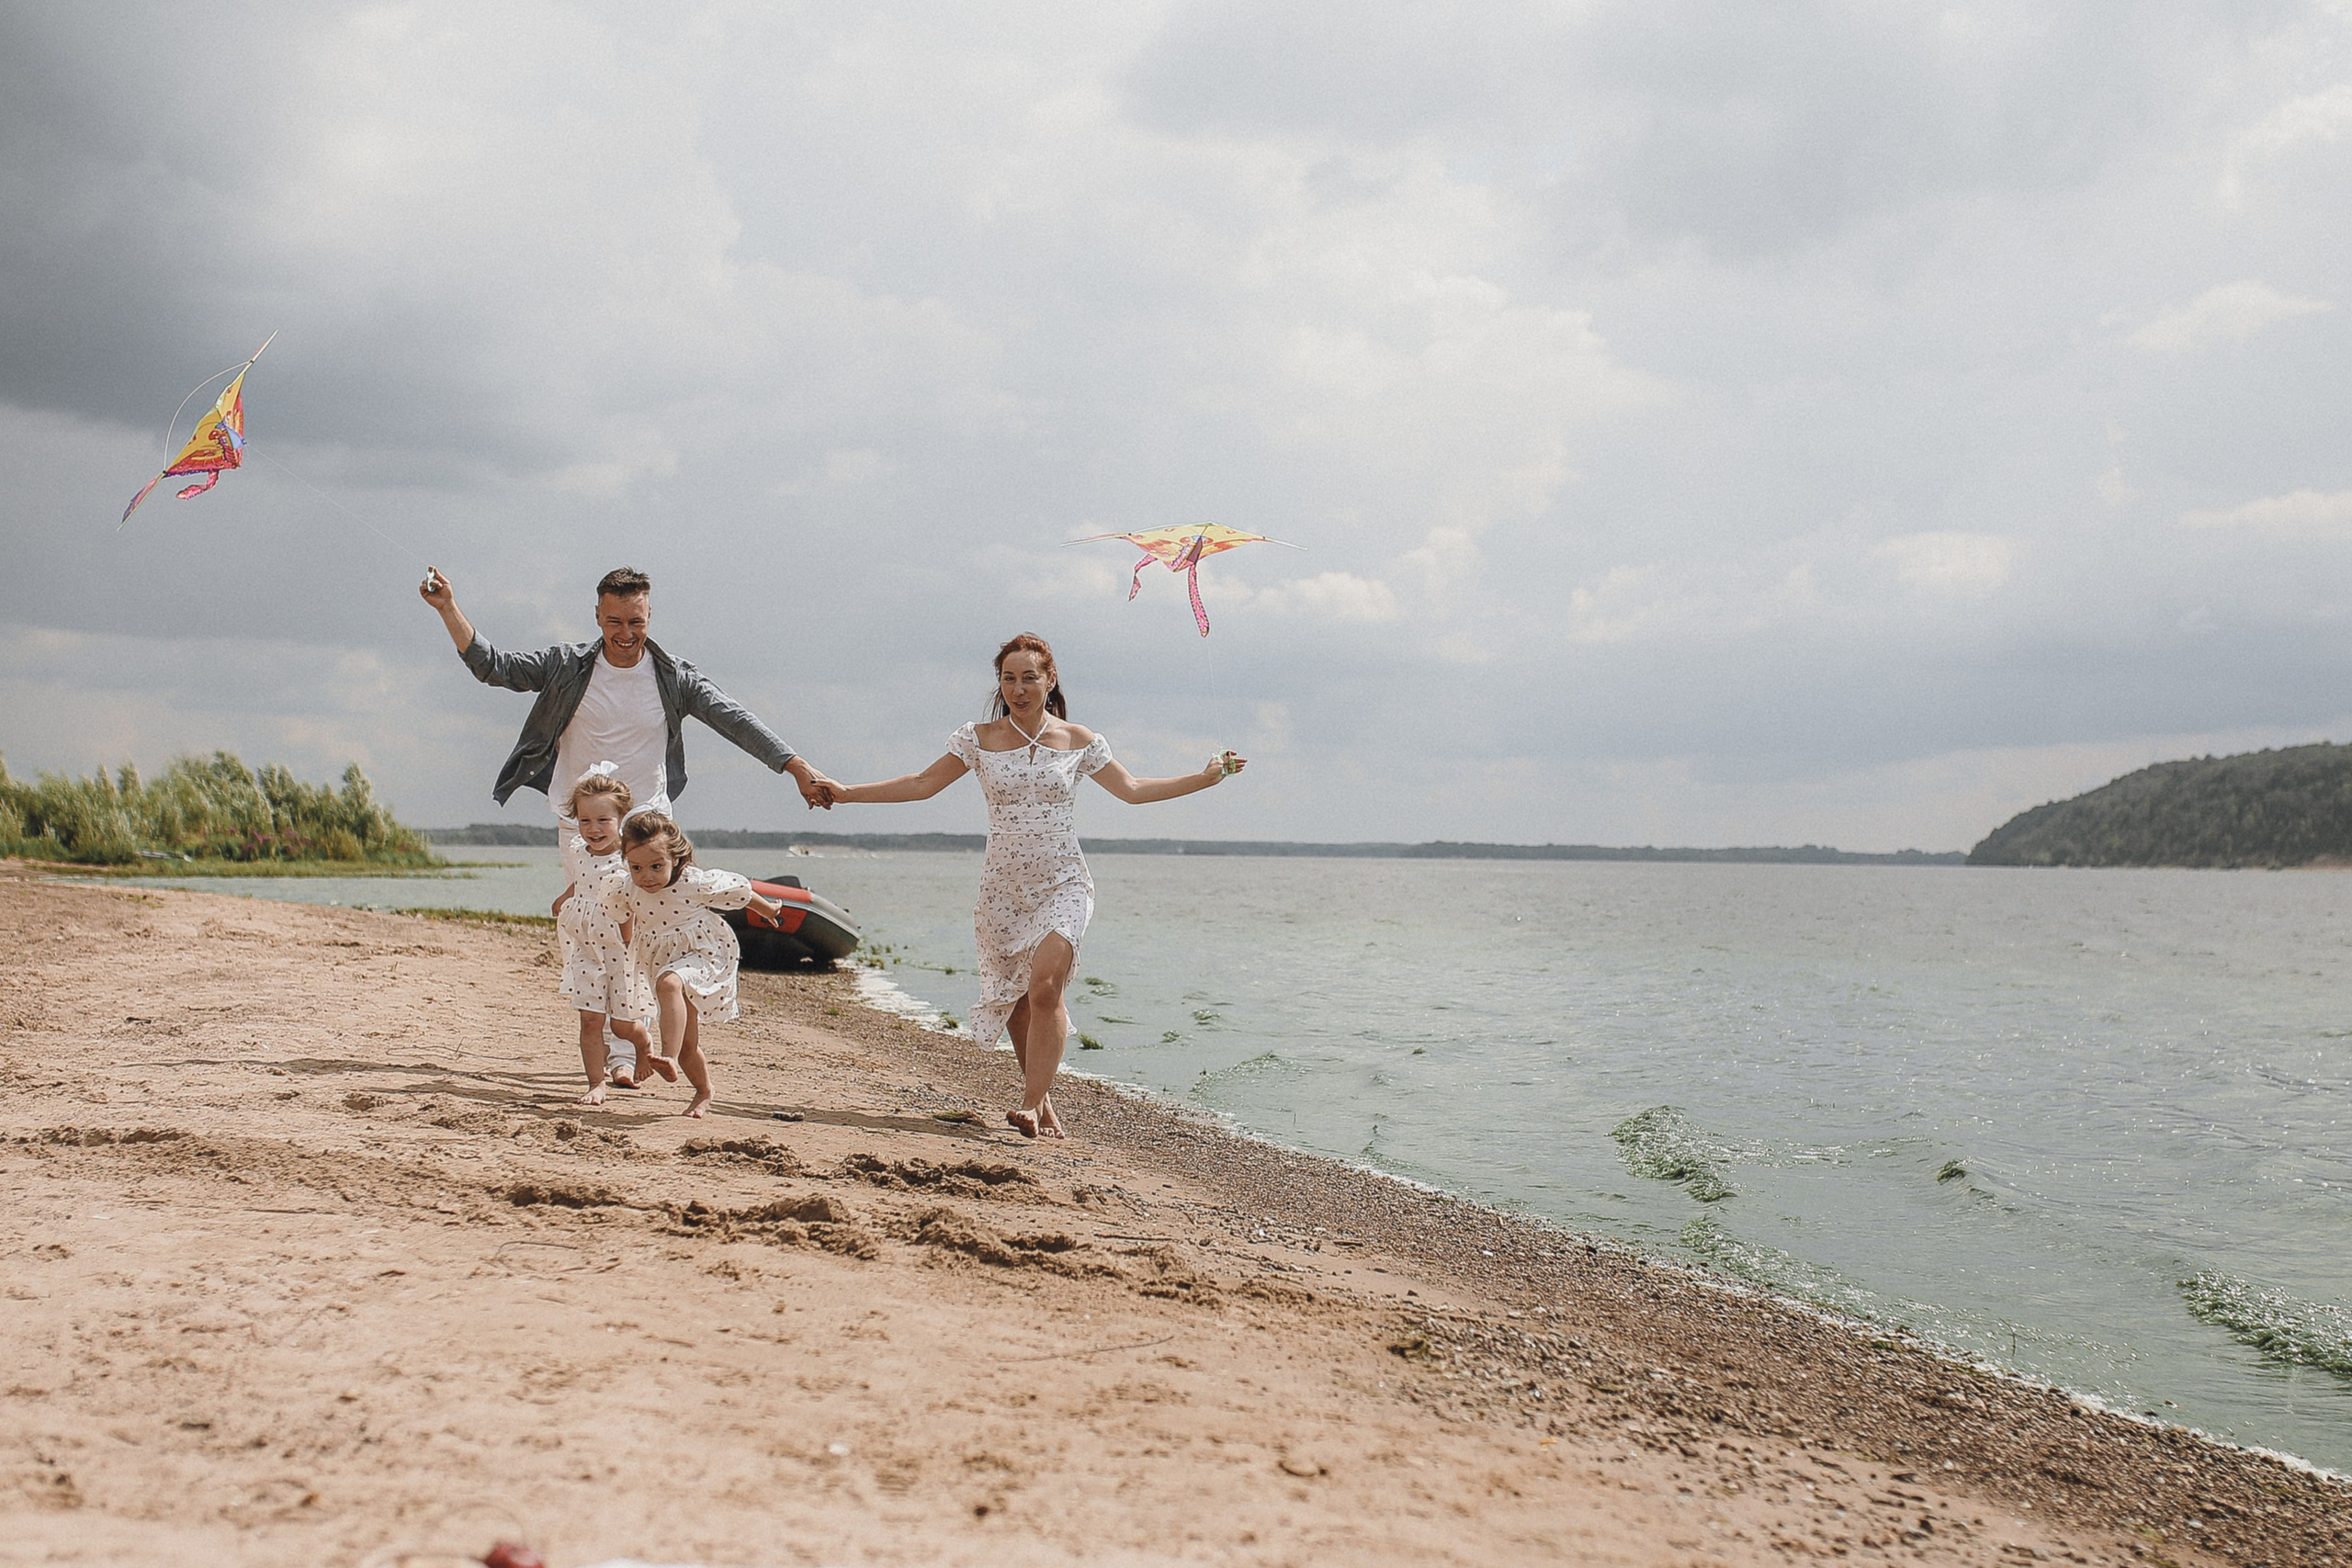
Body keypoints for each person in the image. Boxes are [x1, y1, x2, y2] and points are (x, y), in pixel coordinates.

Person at [821, 633, 1245, 1140]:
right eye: (1008, 678)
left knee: (1045, 989)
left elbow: (1132, 791)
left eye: (1029, 678)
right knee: (1019, 1001)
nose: (1018, 689)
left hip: (1064, 882)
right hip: (1002, 888)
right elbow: (920, 784)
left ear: (1050, 680)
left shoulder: (1079, 740)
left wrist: (1205, 777)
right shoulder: (977, 738)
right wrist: (846, 795)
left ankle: (1027, 1103)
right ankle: (1042, 1107)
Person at [418, 563, 836, 820]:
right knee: (594, 934)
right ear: (598, 616)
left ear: (649, 616)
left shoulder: (675, 679)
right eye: (614, 621)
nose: (625, 633)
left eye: (635, 622)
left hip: (648, 820)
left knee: (646, 931)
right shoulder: (565, 667)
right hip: (580, 818)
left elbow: (736, 721)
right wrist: (448, 608)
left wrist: (796, 767)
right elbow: (496, 668)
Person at [600, 812, 782, 1119]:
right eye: (637, 868)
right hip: (659, 959)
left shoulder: (692, 882)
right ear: (627, 862)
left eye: (657, 866)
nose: (647, 876)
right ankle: (703, 1090)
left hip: (704, 952)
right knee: (688, 1044)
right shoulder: (627, 888)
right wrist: (628, 950)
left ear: (674, 857)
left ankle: (666, 1057)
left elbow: (740, 893)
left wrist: (768, 909)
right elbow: (622, 917)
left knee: (669, 983)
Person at [550, 765, 654, 1105]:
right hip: (584, 945)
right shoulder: (579, 851)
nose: (593, 829)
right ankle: (596, 1082)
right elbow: (581, 881)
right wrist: (565, 898)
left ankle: (642, 1046)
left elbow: (636, 900)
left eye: (603, 821)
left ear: (621, 818)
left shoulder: (628, 859)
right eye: (585, 821)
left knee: (624, 1024)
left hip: (620, 947)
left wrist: (629, 939)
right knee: (590, 1018)